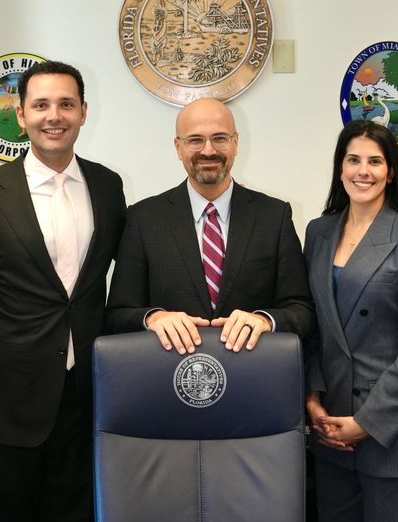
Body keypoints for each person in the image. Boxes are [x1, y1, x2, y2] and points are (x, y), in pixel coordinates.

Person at [0, 60, 126, 522]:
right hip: (4, 411)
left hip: (85, 402)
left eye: (66, 104)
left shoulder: (108, 187)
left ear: (84, 112)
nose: (54, 115)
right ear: (21, 116)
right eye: (40, 105)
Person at [303, 121, 398, 522]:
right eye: (353, 160)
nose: (362, 171)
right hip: (331, 430)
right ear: (339, 167)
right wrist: (312, 401)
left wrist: (366, 424)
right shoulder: (318, 232)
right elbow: (315, 325)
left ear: (391, 172)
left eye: (374, 161)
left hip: (394, 436)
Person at [105, 98, 312, 352]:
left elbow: (301, 311)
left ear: (236, 143)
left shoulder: (274, 216)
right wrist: (154, 317)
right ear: (178, 147)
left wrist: (264, 320)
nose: (209, 150)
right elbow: (116, 315)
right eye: (195, 140)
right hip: (170, 379)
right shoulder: (143, 219)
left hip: (252, 376)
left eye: (220, 138)